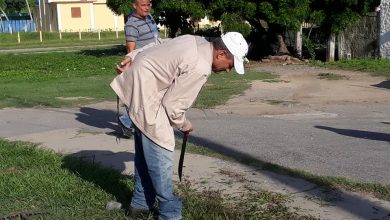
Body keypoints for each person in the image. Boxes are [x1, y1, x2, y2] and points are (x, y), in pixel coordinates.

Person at [110, 32, 248, 220]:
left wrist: (131, 56)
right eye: (231, 65)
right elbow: (173, 106)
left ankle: (139, 207)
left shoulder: (194, 39)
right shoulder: (200, 67)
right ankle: (170, 214)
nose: (228, 70)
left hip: (137, 90)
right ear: (221, 54)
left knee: (145, 158)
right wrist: (184, 125)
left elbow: (157, 43)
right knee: (161, 161)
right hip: (148, 99)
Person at [118, 0, 159, 137]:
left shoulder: (149, 18)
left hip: (155, 62)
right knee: (145, 96)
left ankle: (132, 122)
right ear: (135, 6)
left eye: (149, 4)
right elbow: (131, 48)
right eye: (143, 5)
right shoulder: (131, 24)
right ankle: (127, 121)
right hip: (143, 65)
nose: (147, 8)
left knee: (148, 95)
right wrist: (128, 65)